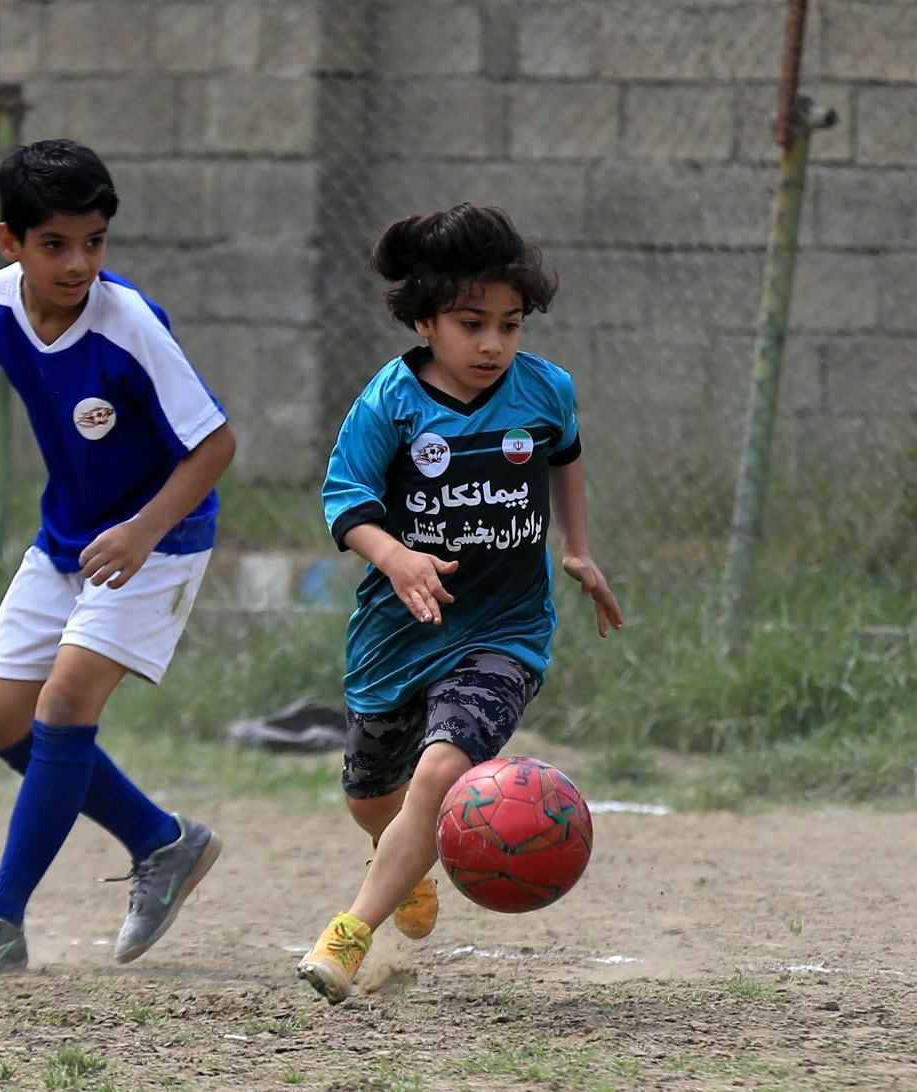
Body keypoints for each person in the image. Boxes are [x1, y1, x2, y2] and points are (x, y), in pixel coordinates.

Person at [0, 138, 235, 975]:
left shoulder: (130, 325)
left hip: (160, 537)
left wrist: (146, 529)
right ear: (11, 242)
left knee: (66, 701)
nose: (78, 262)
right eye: (55, 245)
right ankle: (163, 841)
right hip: (68, 538)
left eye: (94, 242)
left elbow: (216, 444)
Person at [297, 204, 622, 1004]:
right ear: (423, 318)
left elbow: (567, 456)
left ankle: (345, 939)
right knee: (371, 795)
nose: (493, 344)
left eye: (510, 325)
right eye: (472, 323)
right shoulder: (392, 402)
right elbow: (345, 502)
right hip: (399, 632)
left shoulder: (546, 391)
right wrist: (398, 556)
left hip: (506, 630)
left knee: (442, 768)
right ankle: (400, 861)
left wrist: (575, 547)